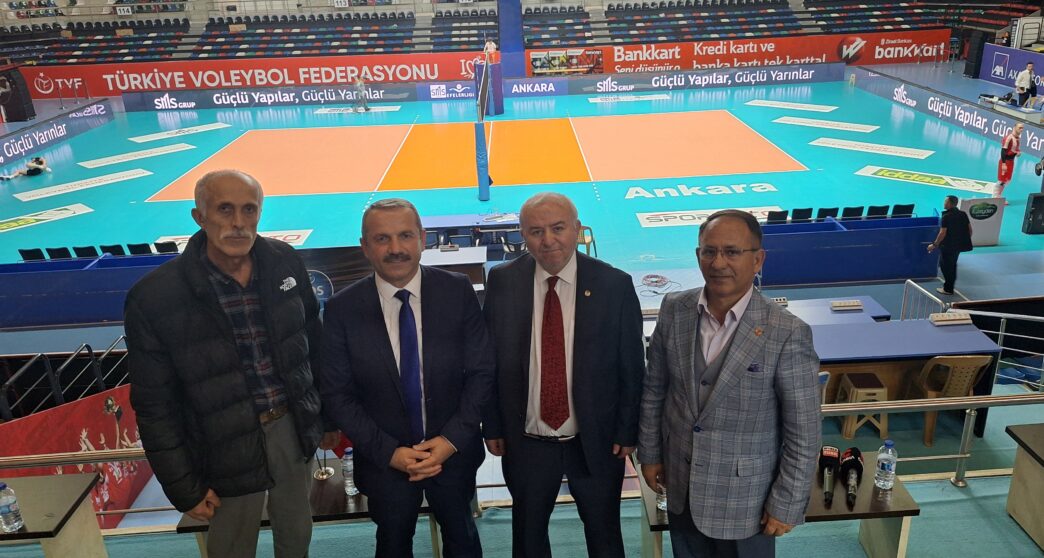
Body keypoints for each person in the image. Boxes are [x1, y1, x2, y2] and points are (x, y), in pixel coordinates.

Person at [124, 170, 337, 558]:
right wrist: (183, 486)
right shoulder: (154, 298)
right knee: (231, 547)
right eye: (225, 210)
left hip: (291, 429)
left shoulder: (285, 262)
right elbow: (155, 406)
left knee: (297, 535)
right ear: (199, 217)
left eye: (249, 210)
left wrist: (327, 418)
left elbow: (314, 345)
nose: (238, 222)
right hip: (220, 445)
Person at [638, 209, 821, 558]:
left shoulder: (787, 332)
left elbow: (804, 431)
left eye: (732, 252)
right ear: (698, 255)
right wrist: (649, 454)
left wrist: (787, 501)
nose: (718, 262)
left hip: (747, 502)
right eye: (710, 251)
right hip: (680, 485)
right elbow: (655, 390)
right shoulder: (674, 308)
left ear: (758, 259)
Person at [320, 198, 494, 558]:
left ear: (422, 239)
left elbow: (481, 372)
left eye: (405, 236)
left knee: (462, 536)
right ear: (364, 246)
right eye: (382, 238)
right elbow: (338, 395)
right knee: (393, 543)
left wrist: (450, 440)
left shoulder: (456, 291)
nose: (395, 248)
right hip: (384, 462)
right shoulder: (342, 309)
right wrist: (390, 453)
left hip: (452, 455)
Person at [482, 192, 645, 558]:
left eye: (558, 228)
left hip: (596, 440)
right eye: (536, 231)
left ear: (577, 229)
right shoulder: (503, 281)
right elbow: (488, 360)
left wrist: (627, 429)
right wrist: (491, 425)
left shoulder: (613, 284)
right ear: (523, 235)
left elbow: (632, 366)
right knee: (528, 537)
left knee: (604, 535)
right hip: (526, 440)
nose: (548, 240)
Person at [927, 195, 973, 296]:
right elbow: (969, 230)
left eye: (945, 201)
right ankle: (949, 286)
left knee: (946, 266)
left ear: (950, 204)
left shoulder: (946, 217)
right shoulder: (963, 214)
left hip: (948, 247)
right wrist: (963, 241)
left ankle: (948, 289)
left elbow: (942, 233)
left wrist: (934, 245)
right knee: (952, 265)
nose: (944, 203)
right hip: (958, 246)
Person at [996, 122, 1023, 202]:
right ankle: (995, 197)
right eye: (1020, 128)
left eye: (1022, 128)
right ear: (1014, 127)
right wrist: (1003, 164)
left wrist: (1018, 153)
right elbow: (1003, 151)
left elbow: (1014, 150)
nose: (1021, 130)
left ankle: (998, 196)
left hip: (1011, 162)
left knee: (1006, 181)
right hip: (1005, 161)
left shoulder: (1017, 139)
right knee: (1001, 180)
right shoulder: (1009, 138)